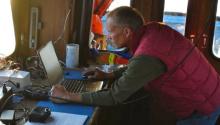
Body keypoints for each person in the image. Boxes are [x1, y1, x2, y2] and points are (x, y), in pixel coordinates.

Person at [50, 6, 220, 125]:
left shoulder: (148, 53)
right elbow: (139, 67)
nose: (107, 36)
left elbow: (114, 97)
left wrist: (68, 96)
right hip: (209, 92)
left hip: (202, 107)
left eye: (111, 31)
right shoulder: (152, 30)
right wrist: (110, 75)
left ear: (127, 32)